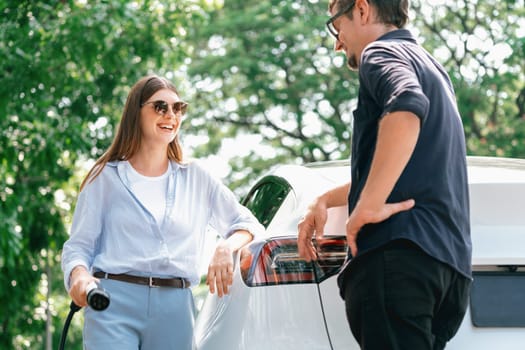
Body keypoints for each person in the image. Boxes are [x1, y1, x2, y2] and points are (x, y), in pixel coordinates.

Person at [297, 0, 472, 349]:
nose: (337, 41)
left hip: (396, 259)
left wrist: (368, 207)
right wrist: (325, 199)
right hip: (448, 270)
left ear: (362, 9)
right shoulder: (433, 68)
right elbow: (407, 164)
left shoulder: (380, 53)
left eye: (336, 25)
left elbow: (406, 106)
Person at [61, 74, 264, 349]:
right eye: (160, 107)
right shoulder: (104, 178)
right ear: (136, 112)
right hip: (112, 303)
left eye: (178, 108)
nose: (171, 115)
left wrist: (225, 247)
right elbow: (79, 247)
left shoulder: (197, 177)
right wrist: (79, 276)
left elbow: (247, 223)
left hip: (175, 307)